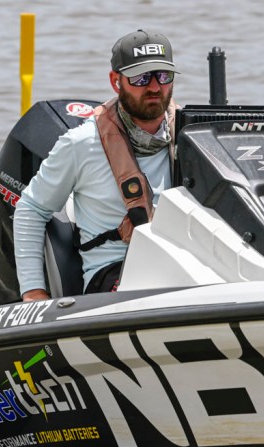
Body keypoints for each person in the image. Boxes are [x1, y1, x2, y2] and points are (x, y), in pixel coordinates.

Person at [13, 29, 180, 301]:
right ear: (116, 81)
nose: (153, 87)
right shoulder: (81, 143)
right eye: (140, 78)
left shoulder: (193, 135)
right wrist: (33, 292)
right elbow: (31, 208)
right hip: (113, 276)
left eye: (163, 76)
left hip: (184, 266)